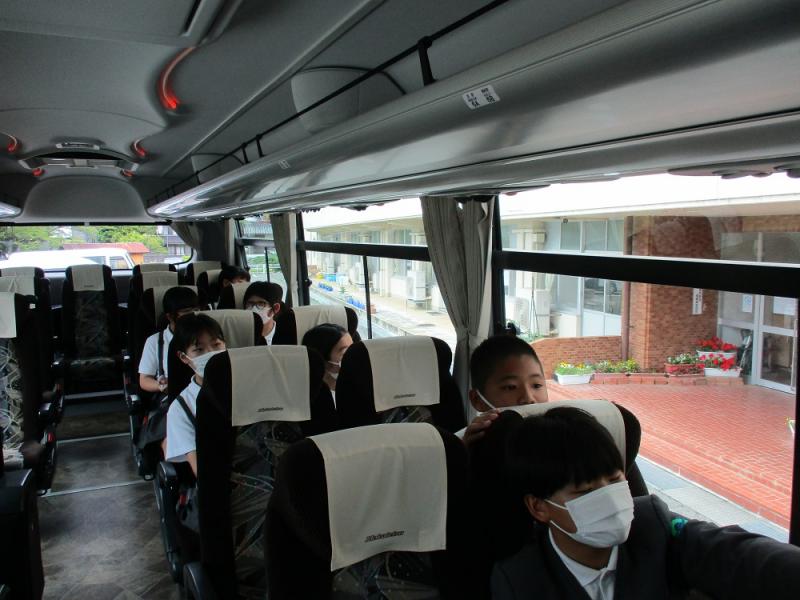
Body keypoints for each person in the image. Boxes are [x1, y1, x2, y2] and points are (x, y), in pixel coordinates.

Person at [490, 406, 800, 599]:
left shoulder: (655, 527)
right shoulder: (519, 579)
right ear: (539, 507)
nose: (609, 498)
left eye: (615, 480)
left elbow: (739, 554)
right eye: (585, 492)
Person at [164, 313, 226, 476]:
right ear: (183, 357)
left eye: (216, 345)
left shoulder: (250, 384)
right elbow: (203, 472)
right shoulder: (181, 408)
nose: (211, 354)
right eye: (199, 350)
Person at [461, 335, 548, 445]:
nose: (528, 398)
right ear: (477, 400)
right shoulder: (470, 444)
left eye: (536, 385)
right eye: (510, 387)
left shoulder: (561, 434)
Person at [138, 286, 200, 394]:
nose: (194, 315)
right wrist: (161, 385)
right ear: (170, 316)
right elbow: (144, 380)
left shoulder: (208, 337)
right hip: (171, 394)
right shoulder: (155, 341)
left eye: (196, 310)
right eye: (187, 312)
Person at [301, 323, 353, 396]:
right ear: (322, 359)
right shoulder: (311, 395)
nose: (353, 355)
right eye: (345, 352)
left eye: (353, 348)